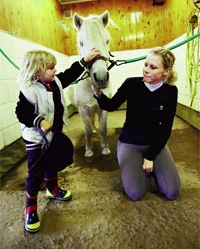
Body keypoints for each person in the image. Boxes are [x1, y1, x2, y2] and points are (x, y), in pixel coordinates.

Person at [15, 48, 100, 234]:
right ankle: (30, 207)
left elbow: (70, 73)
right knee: (35, 172)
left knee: (53, 162)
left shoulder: (55, 82)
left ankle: (52, 188)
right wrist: (39, 121)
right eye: (51, 68)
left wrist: (85, 60)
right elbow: (21, 113)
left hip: (53, 133)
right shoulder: (28, 91)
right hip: (36, 138)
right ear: (37, 71)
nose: (55, 70)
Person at [91, 46, 181, 201]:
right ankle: (138, 167)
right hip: (130, 142)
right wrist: (98, 94)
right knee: (136, 193)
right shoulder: (131, 84)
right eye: (146, 64)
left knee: (172, 192)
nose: (146, 69)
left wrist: (150, 156)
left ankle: (150, 168)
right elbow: (111, 105)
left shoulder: (170, 92)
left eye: (153, 67)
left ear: (166, 71)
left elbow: (166, 129)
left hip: (155, 144)